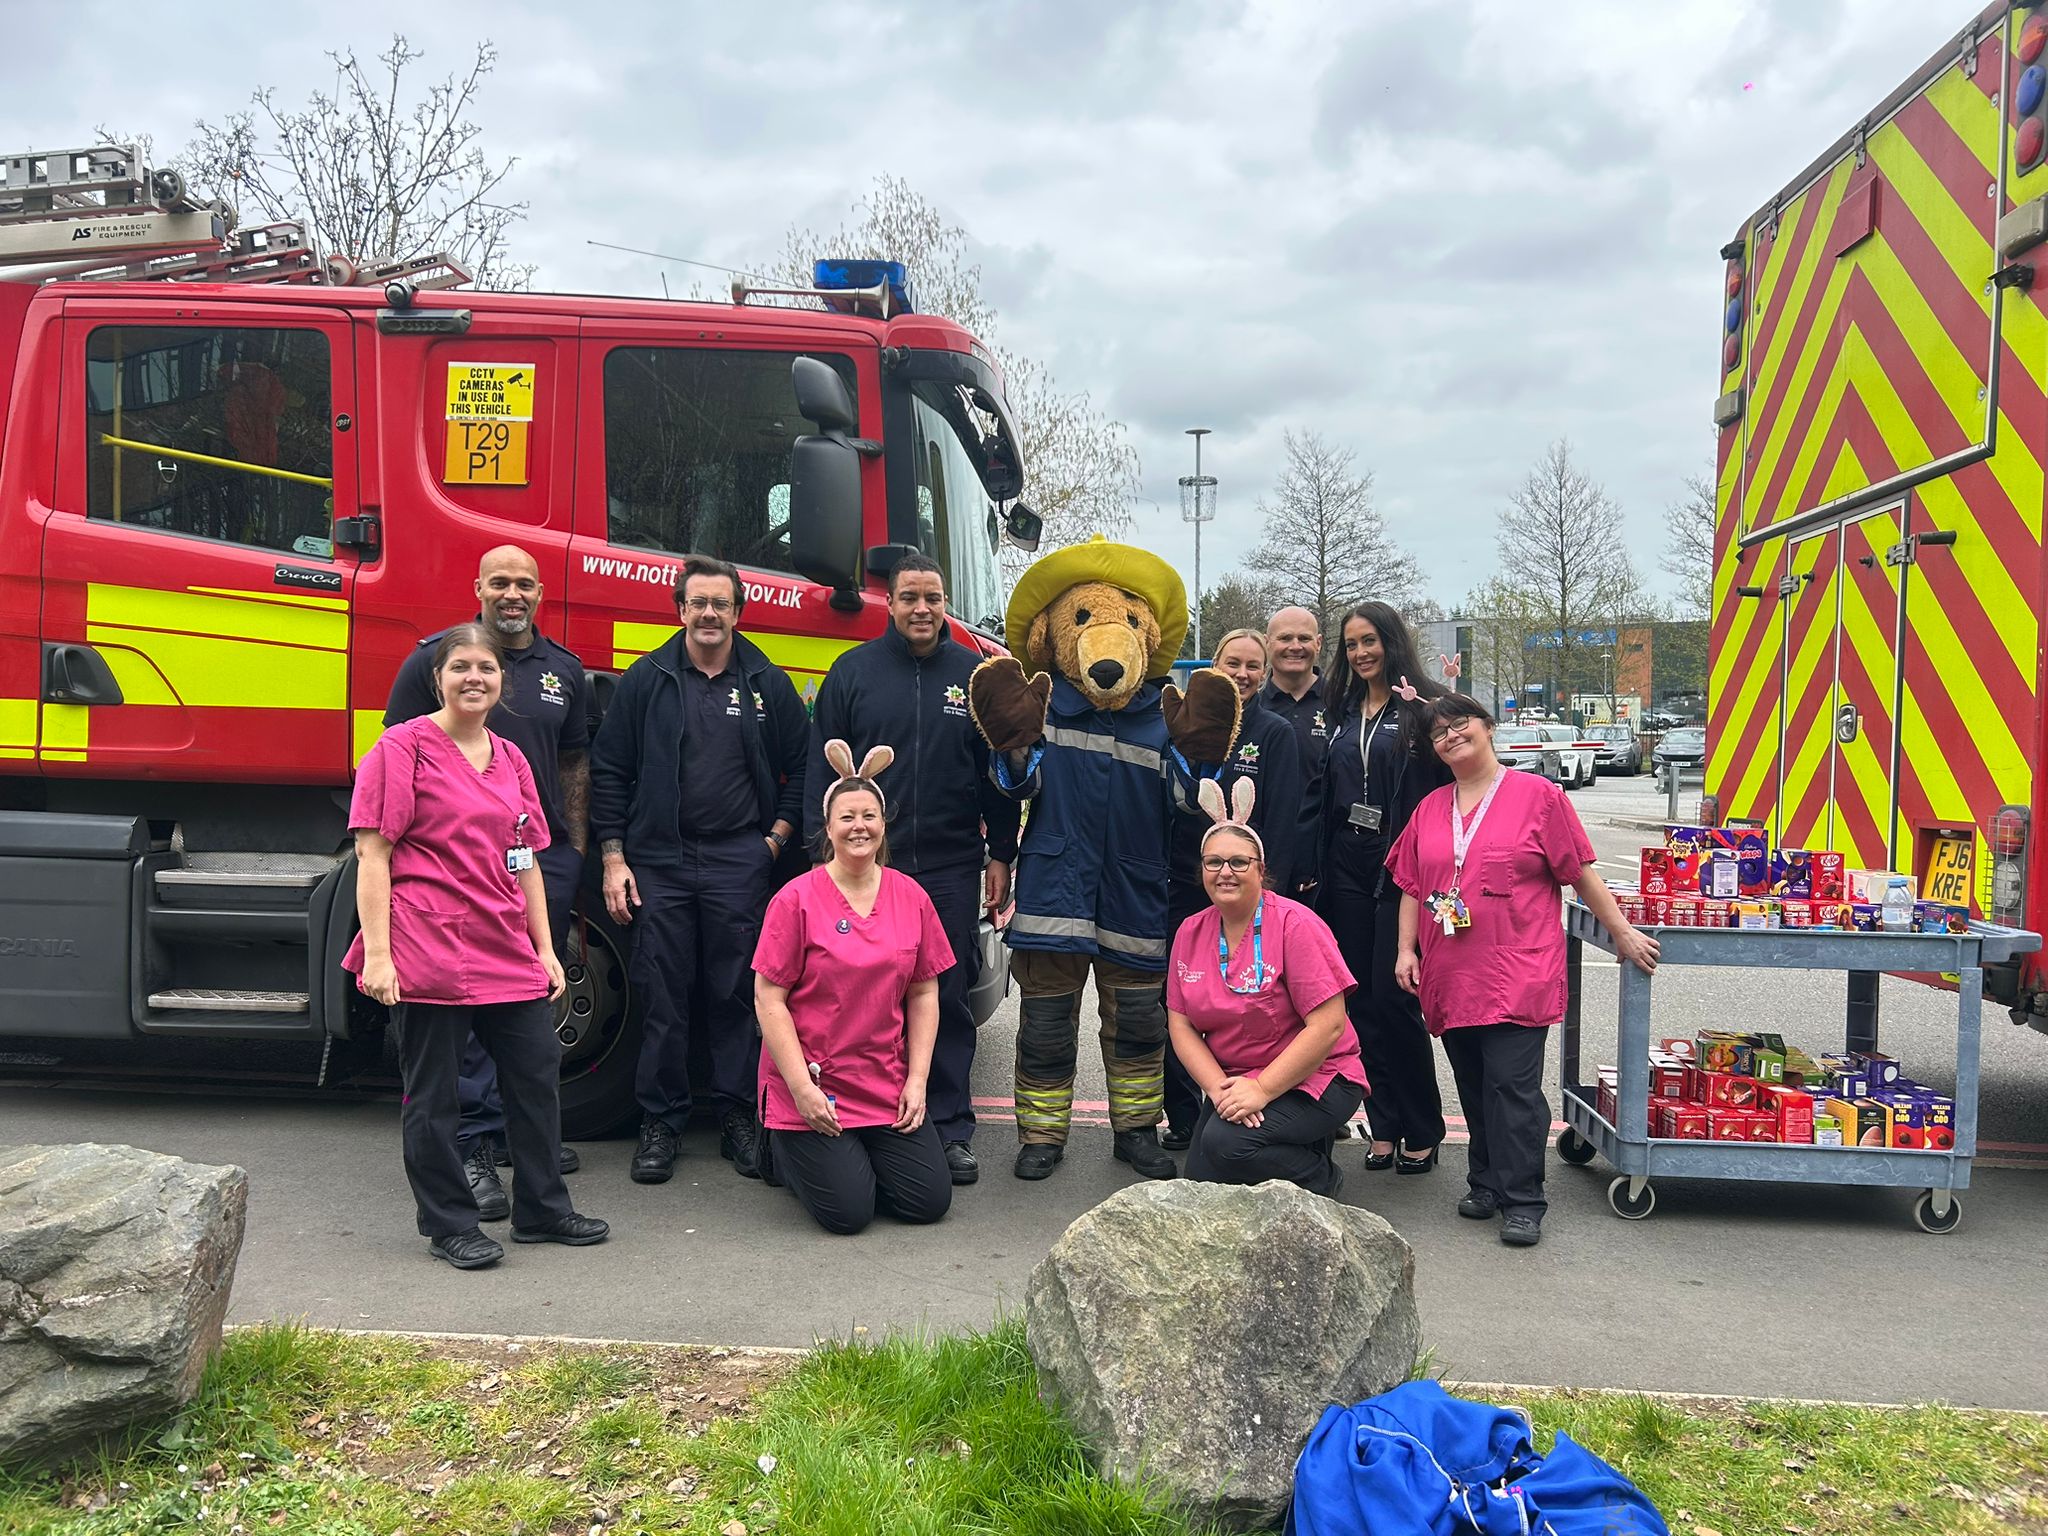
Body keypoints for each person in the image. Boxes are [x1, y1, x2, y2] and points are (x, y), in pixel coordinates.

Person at [347, 625, 608, 1269]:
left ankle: (542, 1208)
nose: (474, 678)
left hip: (503, 941)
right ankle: (449, 1223)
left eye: (486, 668)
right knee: (435, 1096)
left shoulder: (512, 758)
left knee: (535, 1072)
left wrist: (545, 949)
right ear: (437, 678)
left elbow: (525, 860)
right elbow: (371, 854)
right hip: (428, 944)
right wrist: (379, 954)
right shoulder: (401, 749)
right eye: (460, 666)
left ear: (502, 681)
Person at [1390, 693, 1660, 1247]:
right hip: (1452, 970)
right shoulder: (1431, 808)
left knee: (1512, 1085)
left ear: (1488, 727)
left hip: (1517, 968)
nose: (1450, 737)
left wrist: (1623, 933)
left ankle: (1523, 1199)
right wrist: (1406, 950)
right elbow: (1413, 887)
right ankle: (1485, 1181)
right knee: (1471, 1081)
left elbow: (1581, 874)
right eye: (1438, 733)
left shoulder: (1538, 797)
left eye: (1460, 724)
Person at [383, 544, 589, 1220]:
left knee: (528, 1052)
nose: (512, 593)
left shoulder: (533, 716)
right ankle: (465, 1167)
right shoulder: (408, 731)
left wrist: (572, 864)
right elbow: (376, 845)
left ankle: (533, 1189)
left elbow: (549, 805)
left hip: (520, 890)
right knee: (447, 1066)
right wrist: (383, 950)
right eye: (499, 581)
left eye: (524, 583)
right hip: (439, 919)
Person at [589, 554, 808, 1185]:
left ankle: (739, 1113)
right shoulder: (648, 680)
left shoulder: (767, 680)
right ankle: (661, 1122)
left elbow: (803, 765)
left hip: (741, 858)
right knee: (663, 995)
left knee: (738, 994)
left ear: (739, 613)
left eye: (721, 604)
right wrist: (613, 858)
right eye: (698, 603)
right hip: (660, 860)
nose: (709, 614)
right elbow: (610, 772)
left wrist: (773, 841)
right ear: (680, 609)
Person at [804, 553, 1019, 1186]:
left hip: (951, 866)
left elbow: (999, 774)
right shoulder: (853, 673)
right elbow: (823, 772)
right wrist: (823, 852)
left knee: (946, 995)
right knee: (858, 999)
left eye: (933, 597)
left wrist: (1001, 851)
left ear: (944, 602)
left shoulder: (976, 675)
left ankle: (949, 1127)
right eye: (909, 598)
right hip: (864, 869)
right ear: (890, 604)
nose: (922, 609)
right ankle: (865, 1117)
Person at [754, 741, 956, 1234]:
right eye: (846, 817)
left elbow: (924, 992)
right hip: (815, 1083)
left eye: (869, 814)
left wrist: (917, 1080)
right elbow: (768, 998)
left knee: (928, 1202)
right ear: (828, 827)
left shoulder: (911, 897)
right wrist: (801, 1089)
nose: (859, 826)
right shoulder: (795, 899)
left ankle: (852, 1153)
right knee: (849, 1215)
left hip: (882, 1079)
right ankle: (782, 1143)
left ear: (884, 824)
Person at [1166, 779, 1365, 1197]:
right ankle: (1287, 1148)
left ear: (1261, 868)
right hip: (1235, 1080)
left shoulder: (1297, 925)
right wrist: (1221, 1092)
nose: (1225, 872)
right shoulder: (1190, 931)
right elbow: (1181, 1026)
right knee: (1202, 1180)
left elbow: (1327, 1026)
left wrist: (1263, 1089)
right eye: (1213, 862)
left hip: (1317, 1076)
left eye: (1239, 862)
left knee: (1227, 1146)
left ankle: (1319, 1177)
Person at [1315, 602, 1451, 1174]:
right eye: (1350, 645)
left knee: (1397, 1000)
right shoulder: (1342, 710)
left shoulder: (1423, 706)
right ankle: (1384, 1122)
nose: (1360, 653)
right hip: (1347, 861)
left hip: (1404, 867)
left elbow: (1459, 776)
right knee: (1360, 1003)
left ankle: (1423, 1125)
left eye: (1369, 641)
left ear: (1391, 642)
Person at [1162, 627, 1304, 1150]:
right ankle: (1184, 1114)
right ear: (1213, 665)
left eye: (1252, 666)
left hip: (1247, 891)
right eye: (1232, 663)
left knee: (1250, 1005)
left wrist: (1271, 893)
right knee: (1185, 1002)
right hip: (1185, 882)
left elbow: (1284, 820)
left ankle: (1252, 1103)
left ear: (1263, 675)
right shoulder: (1181, 726)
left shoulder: (1272, 733)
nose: (1241, 675)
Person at [1261, 605, 1334, 901]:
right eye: (1285, 638)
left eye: (1304, 638)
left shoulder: (1344, 703)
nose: (1295, 646)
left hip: (1328, 860)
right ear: (1268, 644)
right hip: (1264, 856)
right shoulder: (1251, 708)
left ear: (1318, 643)